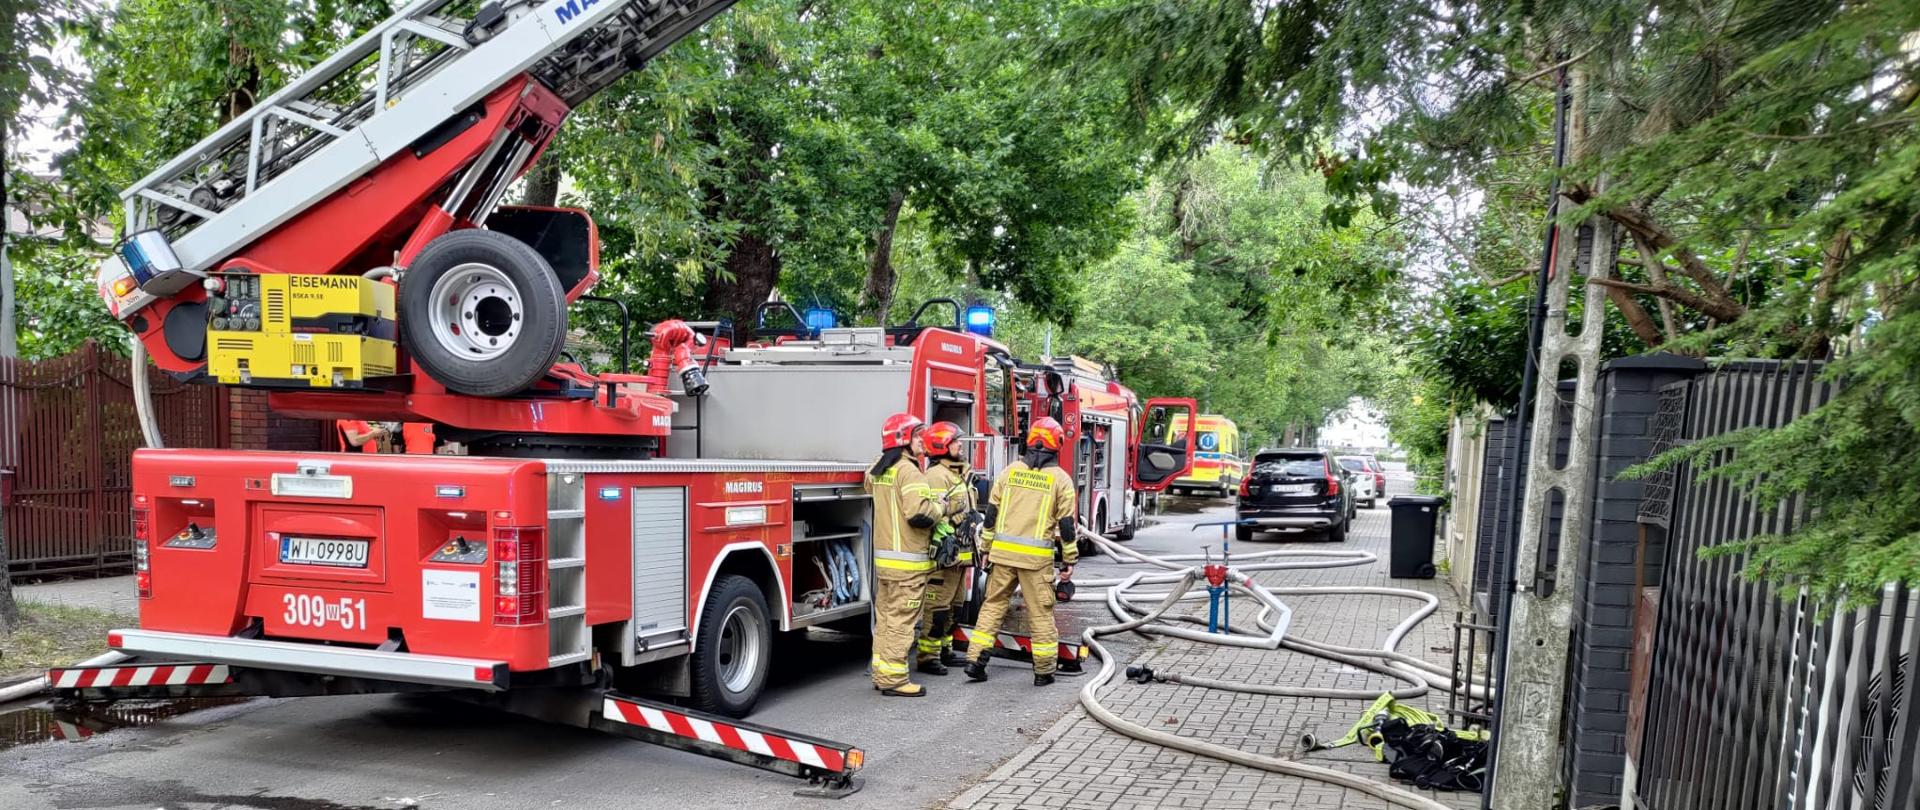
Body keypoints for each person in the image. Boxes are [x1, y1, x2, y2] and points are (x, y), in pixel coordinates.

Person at [965, 416, 1077, 686]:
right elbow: (1066, 525)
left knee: (992, 606)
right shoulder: (1061, 480)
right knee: (1040, 614)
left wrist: (986, 547)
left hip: (1002, 557)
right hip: (1035, 562)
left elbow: (990, 513)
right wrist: (1069, 560)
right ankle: (1043, 671)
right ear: (1057, 444)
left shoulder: (1010, 471)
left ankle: (975, 661)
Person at [863, 412, 946, 697]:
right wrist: (941, 507)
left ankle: (881, 673)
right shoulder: (909, 471)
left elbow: (869, 483)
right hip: (908, 565)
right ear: (904, 440)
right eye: (918, 435)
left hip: (886, 564)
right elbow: (919, 514)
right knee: (901, 622)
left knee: (886, 620)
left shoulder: (880, 468)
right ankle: (895, 680)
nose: (923, 440)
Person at [913, 421, 978, 676]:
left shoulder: (957, 473)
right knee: (937, 608)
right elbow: (934, 515)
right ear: (941, 445)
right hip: (944, 557)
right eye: (955, 441)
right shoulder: (936, 476)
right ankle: (928, 656)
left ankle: (945, 649)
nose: (960, 445)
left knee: (956, 606)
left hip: (960, 557)